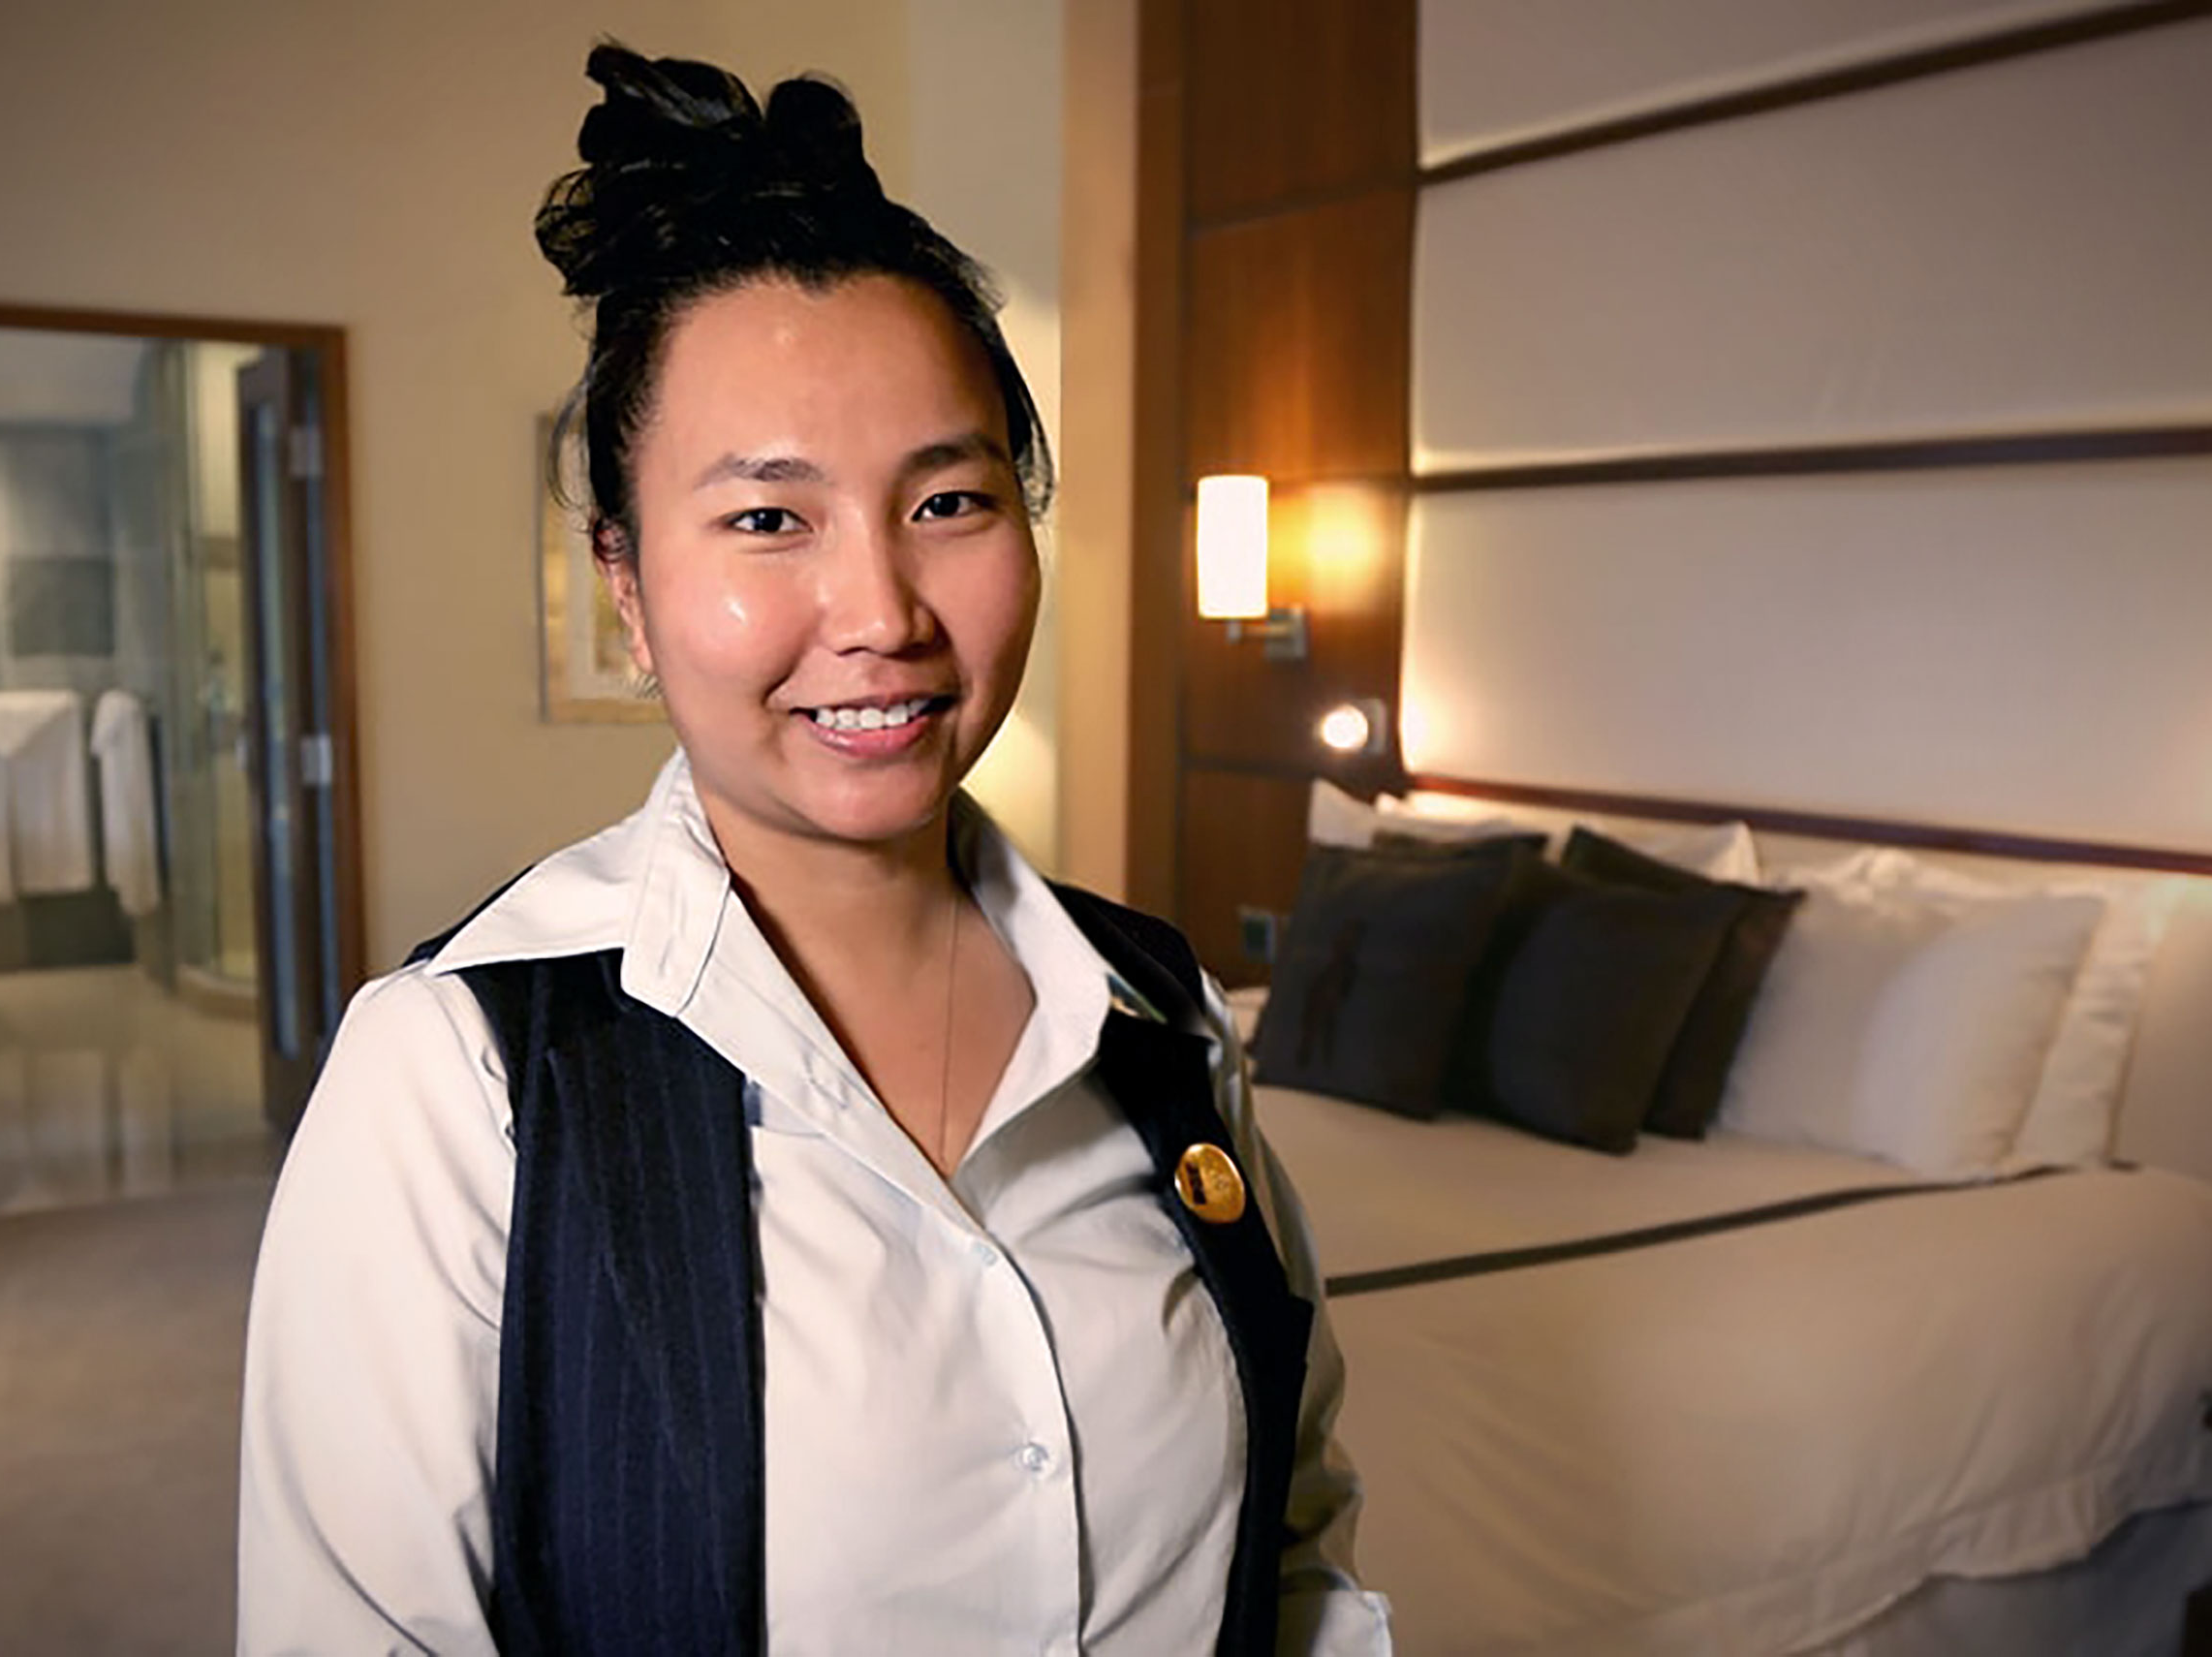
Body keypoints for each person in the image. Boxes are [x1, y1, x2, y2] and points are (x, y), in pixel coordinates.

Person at [236, 43, 1389, 1657]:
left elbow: (1294, 1545)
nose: (882, 617)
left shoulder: (1165, 1016)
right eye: (768, 518)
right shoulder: (461, 1073)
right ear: (624, 586)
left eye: (948, 502)